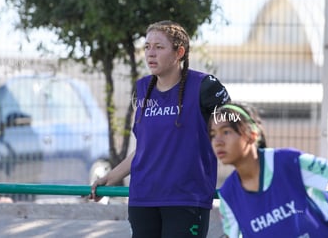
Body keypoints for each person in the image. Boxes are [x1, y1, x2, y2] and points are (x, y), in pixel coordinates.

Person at [90, 20, 231, 238]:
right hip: (143, 199)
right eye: (147, 47)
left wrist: (249, 175)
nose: (150, 53)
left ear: (179, 52)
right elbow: (145, 149)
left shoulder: (206, 87)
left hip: (186, 199)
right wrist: (110, 177)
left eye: (159, 47)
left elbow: (234, 133)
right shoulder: (142, 89)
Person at [208, 102, 328, 238]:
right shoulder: (229, 195)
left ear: (252, 135)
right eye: (213, 135)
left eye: (226, 132)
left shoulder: (289, 161)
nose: (218, 141)